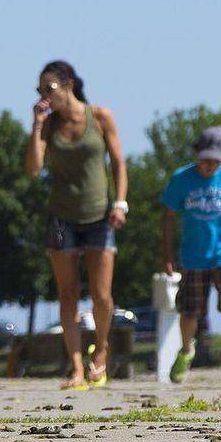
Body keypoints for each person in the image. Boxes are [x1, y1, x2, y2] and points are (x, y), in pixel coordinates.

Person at [24, 60, 127, 390]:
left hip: (100, 214)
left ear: (67, 85)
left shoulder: (100, 116)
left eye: (49, 89)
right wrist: (37, 125)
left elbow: (118, 162)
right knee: (68, 294)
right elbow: (32, 167)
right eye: (39, 91)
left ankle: (102, 350)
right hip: (61, 217)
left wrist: (120, 203)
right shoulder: (49, 125)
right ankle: (76, 369)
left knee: (101, 295)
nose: (44, 96)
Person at [161, 126, 221, 388]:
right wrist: (168, 253)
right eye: (206, 159)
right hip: (193, 256)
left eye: (216, 160)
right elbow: (168, 218)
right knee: (190, 310)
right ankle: (185, 350)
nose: (210, 165)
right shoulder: (181, 179)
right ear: (197, 154)